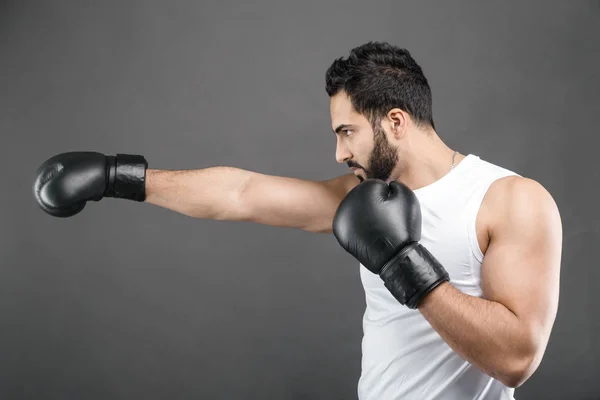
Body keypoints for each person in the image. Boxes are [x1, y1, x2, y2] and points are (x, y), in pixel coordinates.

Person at [32, 42, 562, 400]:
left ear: (395, 122)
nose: (338, 153)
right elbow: (243, 194)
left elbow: (516, 358)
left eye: (347, 131)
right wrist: (116, 176)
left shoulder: (509, 199)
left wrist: (405, 263)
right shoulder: (363, 197)